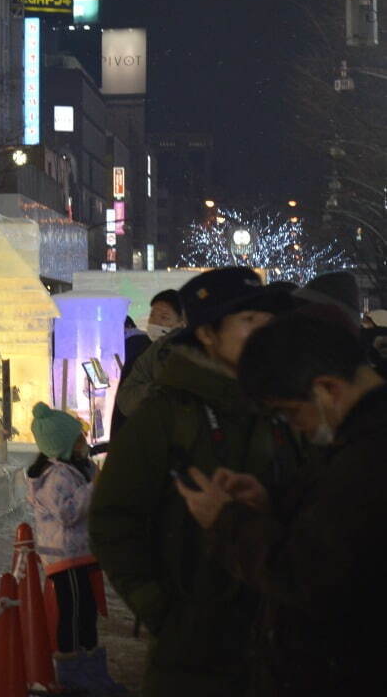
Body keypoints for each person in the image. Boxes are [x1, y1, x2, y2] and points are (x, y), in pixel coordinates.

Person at [89, 267, 299, 697]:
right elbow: (113, 518)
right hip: (193, 657)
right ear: (206, 334)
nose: (264, 334)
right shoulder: (167, 415)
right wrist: (165, 611)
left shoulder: (283, 406)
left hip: (285, 644)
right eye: (248, 322)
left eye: (267, 322)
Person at [173, 309, 386, 696]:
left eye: (290, 412)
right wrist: (272, 503)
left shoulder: (369, 455)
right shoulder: (358, 436)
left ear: (328, 389)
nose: (293, 425)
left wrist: (226, 521)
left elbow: (308, 575)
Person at [25, 403, 127, 695]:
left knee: (88, 612)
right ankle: (74, 676)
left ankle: (93, 673)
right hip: (64, 557)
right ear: (65, 446)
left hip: (80, 555)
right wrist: (94, 487)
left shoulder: (74, 470)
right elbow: (67, 513)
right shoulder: (55, 477)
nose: (85, 443)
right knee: (73, 615)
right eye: (79, 440)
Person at [111, 290, 185, 428]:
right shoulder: (146, 352)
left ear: (182, 322)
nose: (155, 322)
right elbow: (125, 399)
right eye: (152, 315)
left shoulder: (190, 354)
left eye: (164, 317)